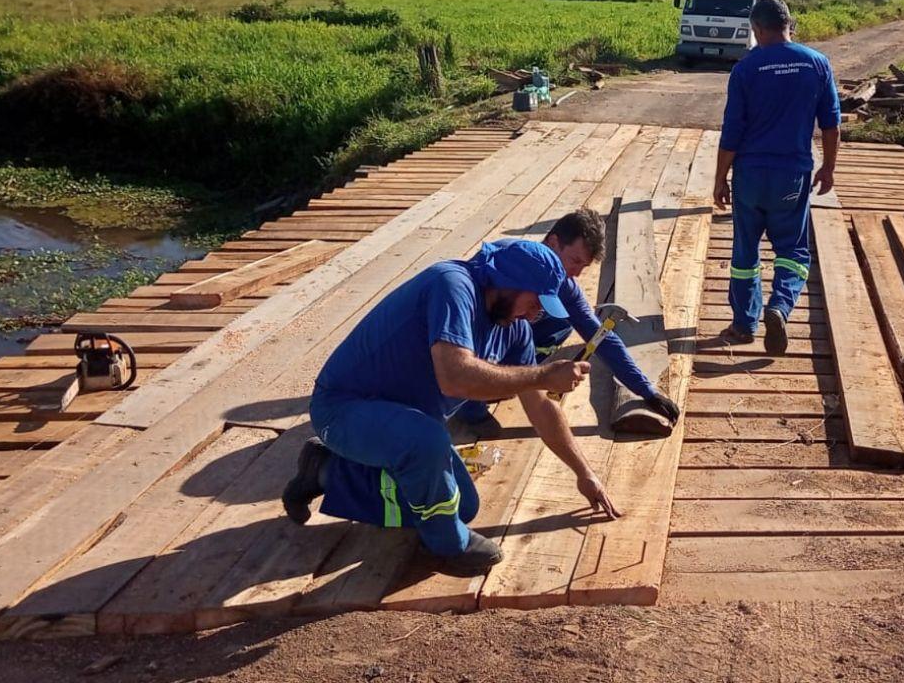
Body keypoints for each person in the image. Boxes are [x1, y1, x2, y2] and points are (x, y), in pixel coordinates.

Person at [282, 239, 620, 576]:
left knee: (462, 505)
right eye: (533, 302)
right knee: (428, 442)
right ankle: (448, 546)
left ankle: (325, 471)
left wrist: (583, 473)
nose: (534, 314)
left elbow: (541, 408)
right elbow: (454, 377)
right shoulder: (452, 285)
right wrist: (542, 375)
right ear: (508, 283)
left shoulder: (514, 330)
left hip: (402, 421)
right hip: (343, 409)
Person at [451, 208, 681, 427]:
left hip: (515, 336)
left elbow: (601, 338)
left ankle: (520, 364)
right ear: (553, 243)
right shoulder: (505, 262)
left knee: (562, 320)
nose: (577, 273)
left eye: (585, 266)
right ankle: (477, 402)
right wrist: (475, 410)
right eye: (575, 260)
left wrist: (646, 391)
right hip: (473, 334)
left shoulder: (565, 286)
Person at [713, 0, 840, 354]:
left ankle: (743, 324)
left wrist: (720, 178)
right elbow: (831, 122)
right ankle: (780, 306)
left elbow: (731, 131)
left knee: (745, 250)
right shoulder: (817, 64)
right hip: (792, 176)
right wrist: (828, 166)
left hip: (750, 177)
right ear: (789, 24)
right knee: (793, 252)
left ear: (757, 29)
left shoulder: (745, 69)